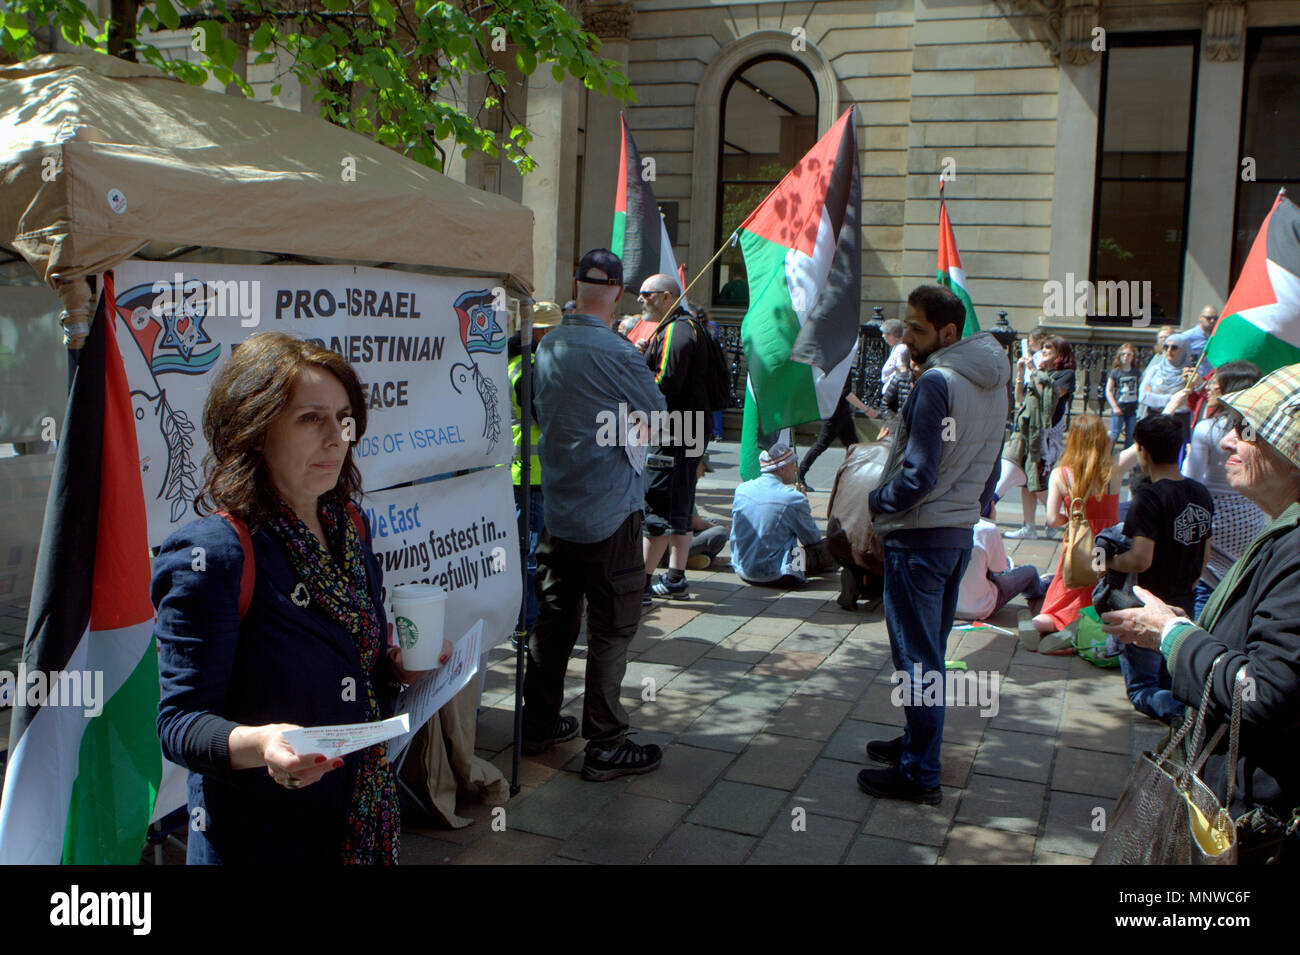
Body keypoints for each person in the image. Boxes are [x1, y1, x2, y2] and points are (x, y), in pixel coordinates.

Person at [154, 333, 426, 864]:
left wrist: (395, 670)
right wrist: (263, 744)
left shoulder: (348, 524)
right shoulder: (214, 553)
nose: (335, 438)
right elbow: (180, 724)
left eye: (344, 418)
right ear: (254, 430)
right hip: (261, 840)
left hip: (358, 822)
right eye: (309, 419)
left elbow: (352, 667)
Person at [1102, 364, 1300, 861]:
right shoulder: (1280, 531)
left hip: (1252, 819)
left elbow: (1265, 691)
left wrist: (1169, 634)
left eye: (1247, 430)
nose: (1228, 441)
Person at [857, 285, 1008, 805]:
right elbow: (990, 468)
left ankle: (920, 772)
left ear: (948, 332)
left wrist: (877, 501)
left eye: (918, 329)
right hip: (955, 535)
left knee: (916, 661)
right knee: (930, 654)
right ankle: (915, 743)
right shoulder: (994, 379)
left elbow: (917, 475)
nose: (909, 337)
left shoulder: (938, 382)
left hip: (919, 538)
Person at [521, 248, 667, 780]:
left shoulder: (550, 342)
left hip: (559, 509)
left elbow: (534, 406)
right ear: (619, 293)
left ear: (576, 283)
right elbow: (657, 416)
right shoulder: (620, 352)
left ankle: (536, 724)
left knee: (555, 621)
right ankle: (605, 743)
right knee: (611, 627)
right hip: (610, 513)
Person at [1102, 414, 1213, 724]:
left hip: (1148, 603)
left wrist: (1109, 562)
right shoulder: (1200, 492)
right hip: (1185, 598)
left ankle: (1193, 718)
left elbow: (1140, 559)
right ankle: (1188, 716)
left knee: (1142, 688)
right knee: (1170, 678)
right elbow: (1204, 554)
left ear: (1142, 450)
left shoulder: (1149, 497)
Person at [640, 272, 711, 603]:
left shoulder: (676, 331)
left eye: (647, 294)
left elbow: (663, 386)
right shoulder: (690, 327)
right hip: (690, 429)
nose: (640, 299)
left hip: (673, 432)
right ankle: (675, 579)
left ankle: (640, 586)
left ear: (667, 296)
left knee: (657, 505)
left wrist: (637, 366)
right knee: (681, 504)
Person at [1027, 413, 1123, 651]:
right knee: (1100, 589)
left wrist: (1071, 521)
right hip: (1106, 545)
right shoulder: (1114, 471)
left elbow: (1051, 519)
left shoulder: (1061, 474)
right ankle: (1085, 628)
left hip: (1078, 543)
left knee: (1065, 591)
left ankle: (1044, 623)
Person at [1180, 361, 1268, 618]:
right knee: (1240, 585)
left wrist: (1187, 458)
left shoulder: (1208, 428)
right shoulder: (1252, 429)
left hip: (1214, 519)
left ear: (1231, 389)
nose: (1209, 386)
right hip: (1251, 516)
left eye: (1215, 383)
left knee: (1206, 588)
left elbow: (1192, 479)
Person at [508, 301, 561, 646]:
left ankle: (524, 621)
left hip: (519, 471)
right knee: (530, 554)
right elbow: (549, 418)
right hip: (533, 473)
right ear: (542, 332)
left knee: (524, 550)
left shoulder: (514, 362)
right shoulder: (532, 368)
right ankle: (526, 624)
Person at [1001, 335, 1076, 539]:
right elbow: (1020, 399)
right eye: (1042, 348)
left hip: (1046, 439)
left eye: (1049, 349)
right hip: (1030, 434)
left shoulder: (1065, 375)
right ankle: (1029, 526)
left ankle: (1065, 518)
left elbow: (1047, 400)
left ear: (1060, 354)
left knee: (1040, 482)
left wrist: (1036, 371)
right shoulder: (1041, 373)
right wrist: (1020, 373)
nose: (1043, 351)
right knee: (1027, 481)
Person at [729, 443, 833, 587]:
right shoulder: (793, 498)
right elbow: (812, 539)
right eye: (793, 465)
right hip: (779, 575)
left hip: (743, 570)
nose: (795, 469)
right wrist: (803, 504)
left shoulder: (742, 489)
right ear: (782, 469)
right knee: (830, 547)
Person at [796, 368, 878, 491]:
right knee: (821, 445)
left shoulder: (838, 362)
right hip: (834, 414)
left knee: (853, 446)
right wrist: (866, 410)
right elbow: (846, 393)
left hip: (842, 412)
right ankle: (800, 475)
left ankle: (854, 478)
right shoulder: (843, 365)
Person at [957, 514, 1048, 622]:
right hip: (980, 607)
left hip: (944, 606)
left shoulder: (937, 522)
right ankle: (1042, 587)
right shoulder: (987, 528)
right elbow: (998, 570)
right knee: (1030, 571)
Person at [1138, 327, 1190, 421]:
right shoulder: (1155, 370)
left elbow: (1186, 405)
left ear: (1183, 350)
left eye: (1174, 347)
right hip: (1153, 419)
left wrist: (1154, 398)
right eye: (1166, 347)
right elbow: (1143, 397)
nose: (1169, 351)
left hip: (1178, 422)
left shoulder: (1189, 373)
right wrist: (1171, 398)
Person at [1106, 342, 1140, 450]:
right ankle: (1107, 458)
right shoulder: (1115, 372)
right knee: (1114, 434)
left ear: (1133, 357)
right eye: (1123, 354)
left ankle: (1125, 463)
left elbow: (1140, 389)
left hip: (1132, 409)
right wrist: (1114, 407)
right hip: (1119, 407)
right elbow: (1108, 390)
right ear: (1119, 356)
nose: (1126, 357)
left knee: (1130, 436)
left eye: (1129, 354)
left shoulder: (1136, 372)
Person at [880, 319, 910, 392]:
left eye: (885, 333)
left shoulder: (901, 349)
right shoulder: (896, 347)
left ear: (892, 335)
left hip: (894, 393)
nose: (883, 336)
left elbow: (902, 370)